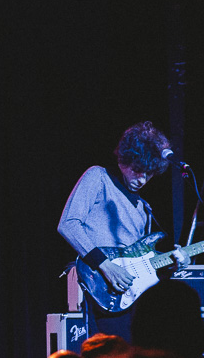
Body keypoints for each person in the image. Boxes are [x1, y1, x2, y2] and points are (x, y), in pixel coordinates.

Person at [58, 121, 186, 341]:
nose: (142, 180)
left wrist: (172, 265)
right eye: (137, 170)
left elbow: (142, 265)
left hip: (128, 299)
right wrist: (106, 266)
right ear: (123, 159)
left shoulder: (144, 209)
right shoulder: (98, 177)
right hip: (96, 285)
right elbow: (68, 224)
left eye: (149, 174)